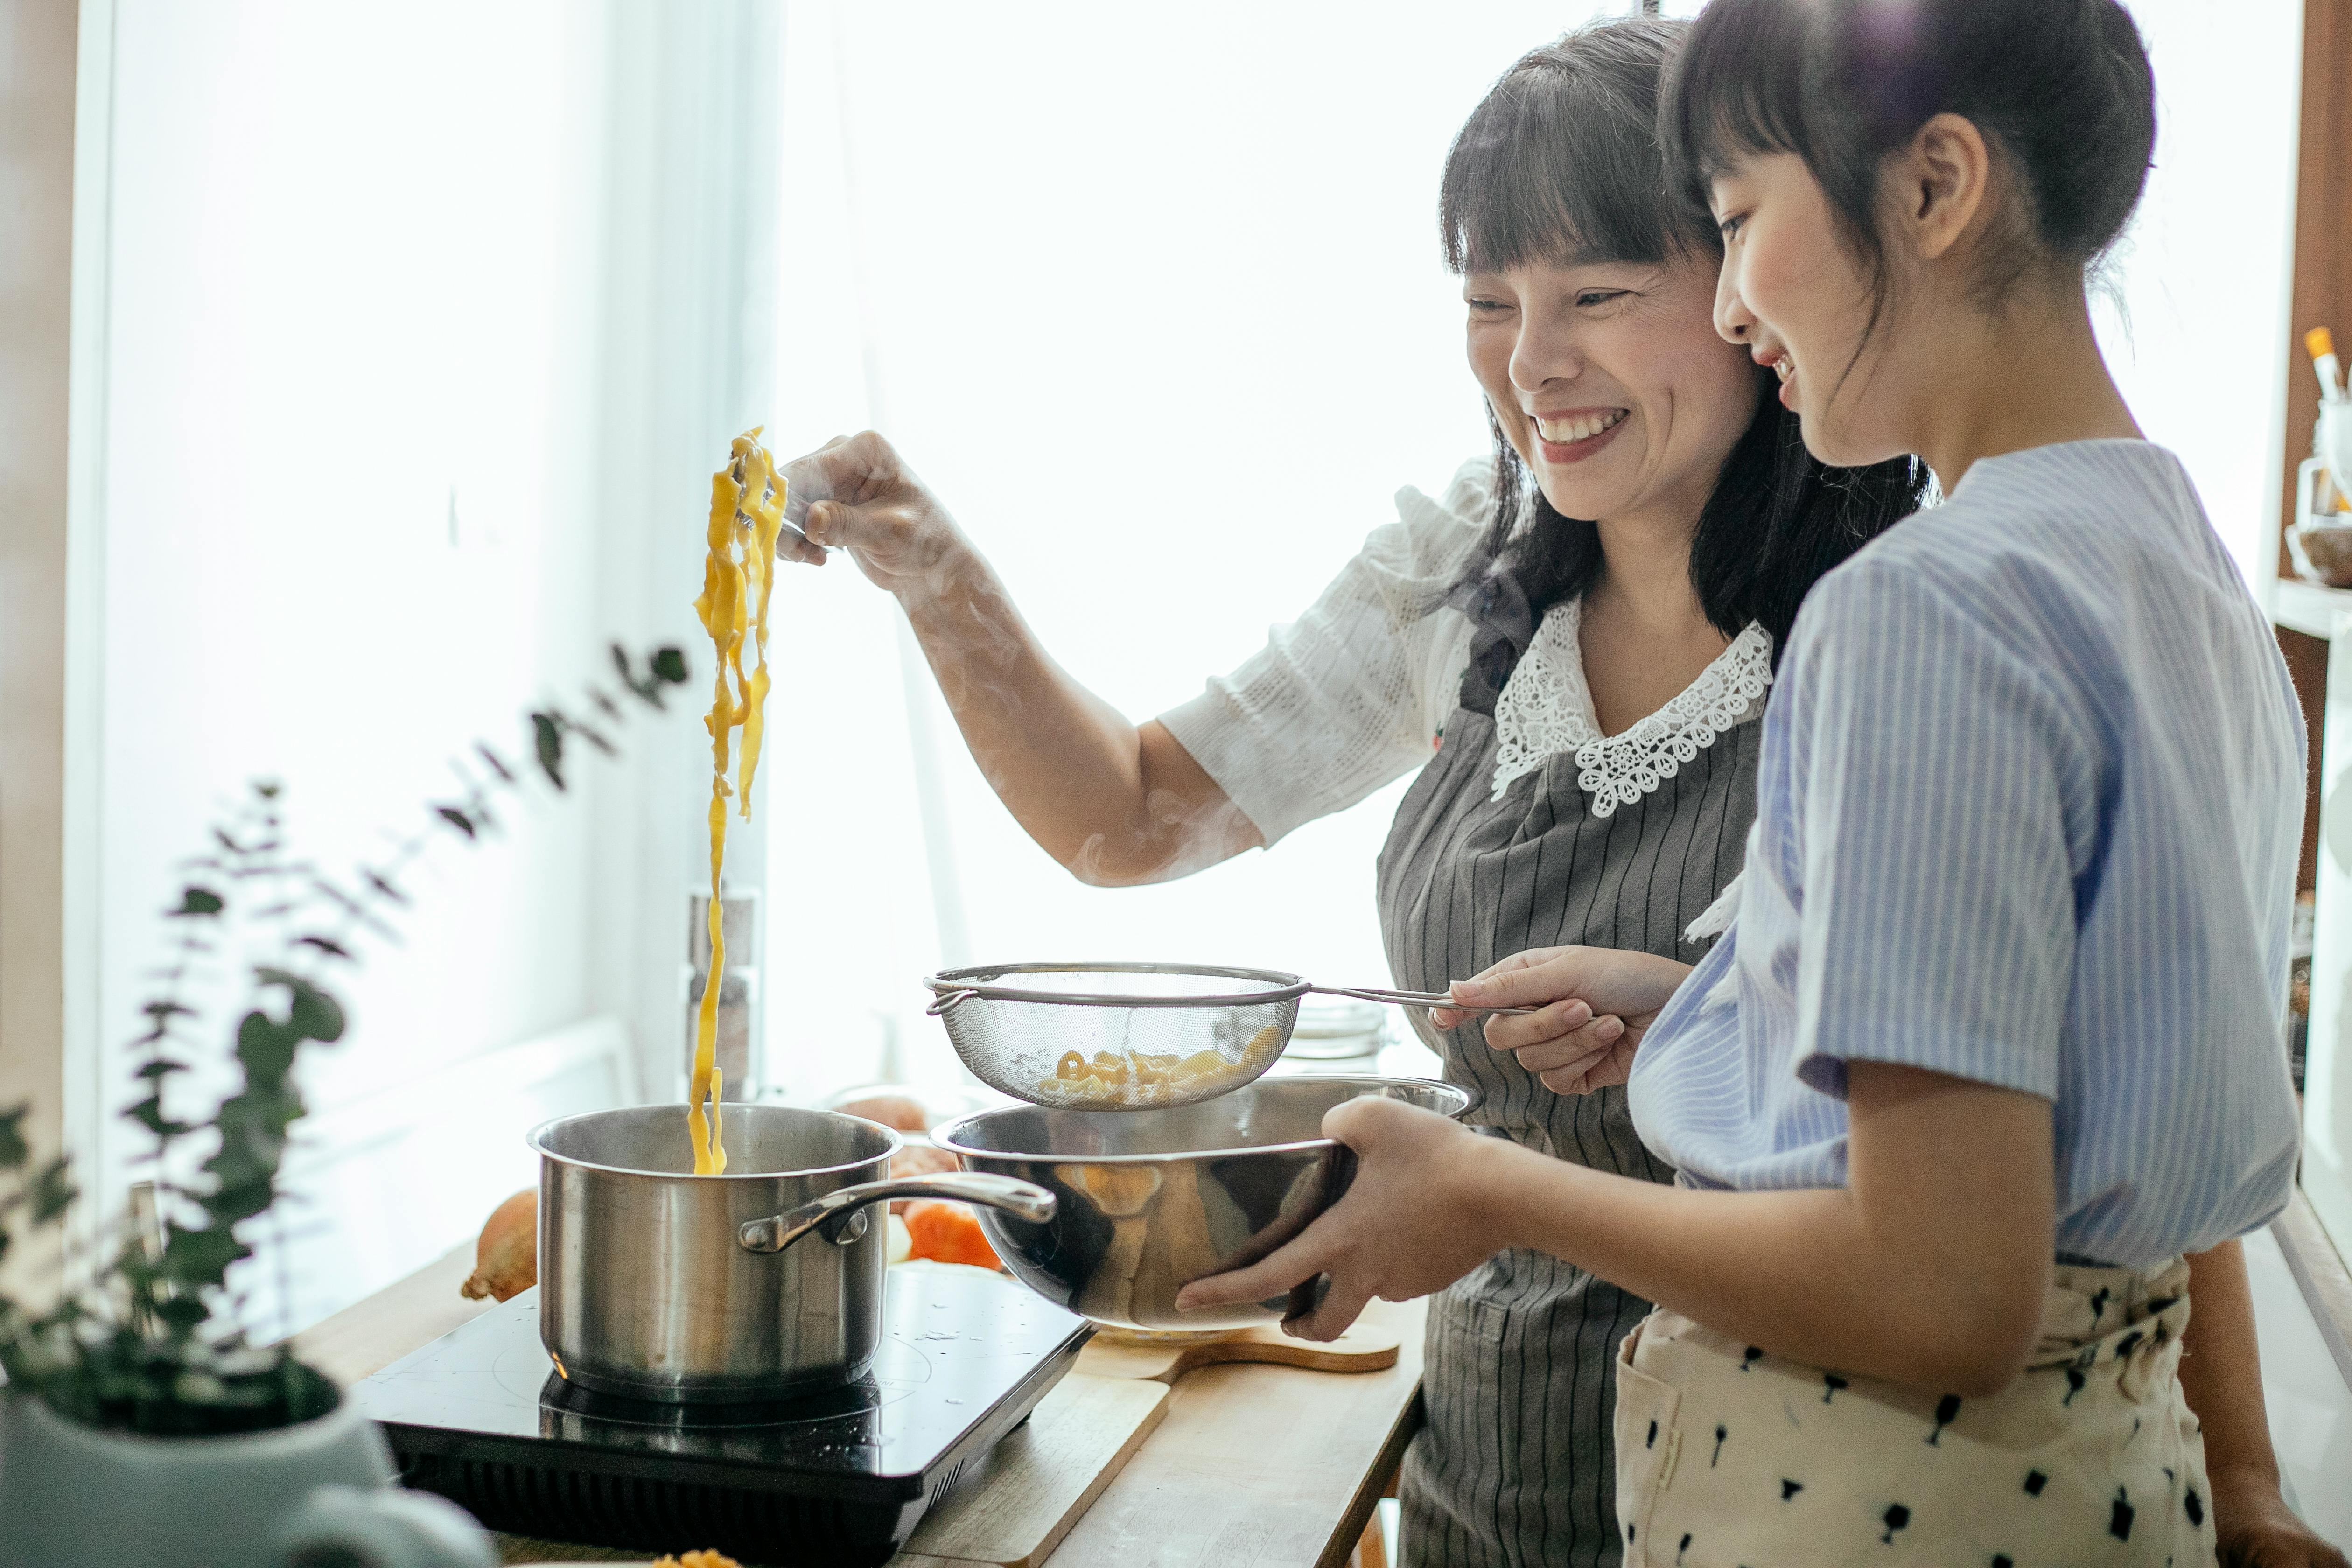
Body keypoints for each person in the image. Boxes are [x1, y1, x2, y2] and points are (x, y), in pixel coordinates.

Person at [1178, 3, 2347, 1565]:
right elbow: (2087, 1096)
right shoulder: (2192, 576)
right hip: (2116, 1490)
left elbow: (1941, 1294)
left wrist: (1491, 1190)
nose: (1732, 307)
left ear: (1936, 189)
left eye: (1734, 224)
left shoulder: (1922, 604)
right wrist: (1721, 1002)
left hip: (1873, 1508)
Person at [780, 20, 1922, 1565]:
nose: (1534, 365)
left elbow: (2050, 1129)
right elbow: (1131, 815)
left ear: (1744, 289)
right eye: (1488, 303)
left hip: (1807, 1496)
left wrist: (2250, 1493)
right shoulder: (1462, 573)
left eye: (1596, 295)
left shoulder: (1909, 621)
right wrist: (931, 569)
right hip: (1485, 1477)